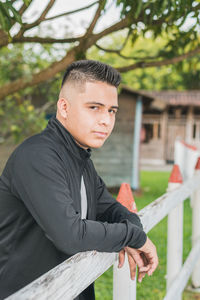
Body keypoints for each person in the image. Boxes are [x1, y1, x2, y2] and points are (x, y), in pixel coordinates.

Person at [0, 60, 158, 299]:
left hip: (69, 289)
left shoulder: (81, 159)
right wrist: (134, 236)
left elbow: (113, 210)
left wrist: (132, 228)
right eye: (94, 107)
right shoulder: (37, 156)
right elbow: (70, 235)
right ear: (64, 108)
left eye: (111, 110)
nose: (106, 120)